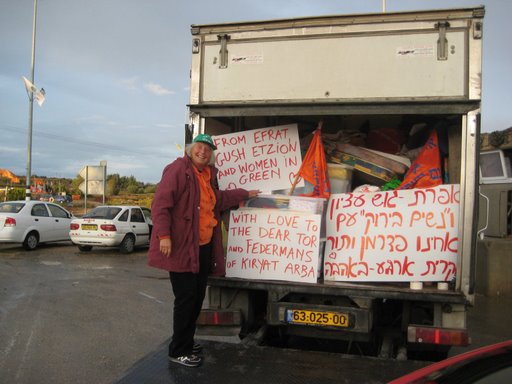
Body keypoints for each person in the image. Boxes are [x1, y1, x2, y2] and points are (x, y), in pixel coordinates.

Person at [147, 133, 259, 368]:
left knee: (197, 299)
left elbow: (217, 200)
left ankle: (186, 342)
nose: (203, 152)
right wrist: (164, 236)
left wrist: (245, 194)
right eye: (200, 147)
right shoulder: (177, 170)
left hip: (202, 249)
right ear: (191, 149)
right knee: (186, 300)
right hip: (181, 249)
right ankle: (178, 351)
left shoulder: (206, 176)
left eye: (208, 149)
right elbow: (160, 205)